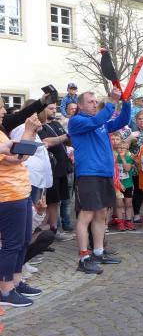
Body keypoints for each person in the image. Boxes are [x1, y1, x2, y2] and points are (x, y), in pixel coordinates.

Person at [69, 89, 130, 274]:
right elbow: (97, 121)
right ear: (80, 105)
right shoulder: (77, 121)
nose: (95, 104)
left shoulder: (100, 122)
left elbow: (122, 121)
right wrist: (112, 101)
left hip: (104, 174)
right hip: (88, 174)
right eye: (90, 102)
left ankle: (98, 252)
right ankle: (83, 257)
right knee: (86, 215)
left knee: (102, 213)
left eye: (96, 101)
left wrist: (126, 102)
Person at [0, 115, 45, 307]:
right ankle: (5, 290)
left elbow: (23, 155)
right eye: (0, 107)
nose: (4, 111)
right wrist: (27, 131)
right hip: (8, 194)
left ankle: (16, 282)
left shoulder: (2, 132)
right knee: (12, 244)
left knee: (24, 240)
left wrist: (31, 132)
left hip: (21, 191)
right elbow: (16, 158)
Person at [38, 102, 72, 240]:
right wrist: (67, 135)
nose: (54, 111)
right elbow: (47, 141)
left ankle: (54, 229)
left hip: (62, 169)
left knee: (57, 201)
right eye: (50, 108)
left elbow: (67, 140)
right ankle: (48, 231)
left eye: (55, 108)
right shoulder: (39, 126)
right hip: (51, 170)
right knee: (49, 202)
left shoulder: (57, 124)